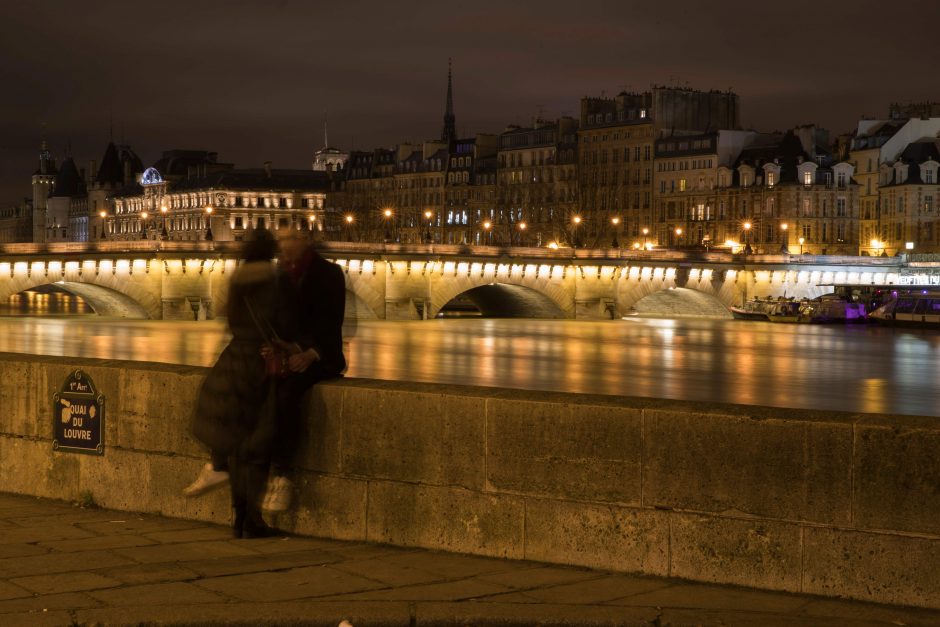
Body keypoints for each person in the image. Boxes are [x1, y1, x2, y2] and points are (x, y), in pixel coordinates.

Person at [188, 229, 281, 537]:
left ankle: (239, 516)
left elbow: (229, 319)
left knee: (237, 445)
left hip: (232, 362)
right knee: (256, 447)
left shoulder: (238, 280)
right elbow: (282, 320)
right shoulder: (272, 280)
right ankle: (252, 519)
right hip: (260, 363)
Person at [262, 228, 347, 512]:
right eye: (282, 239)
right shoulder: (280, 273)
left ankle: (283, 473)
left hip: (321, 357)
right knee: (253, 387)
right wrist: (272, 343)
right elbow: (272, 316)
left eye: (290, 238)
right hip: (287, 350)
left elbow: (331, 322)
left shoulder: (330, 273)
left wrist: (310, 352)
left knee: (287, 395)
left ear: (305, 240)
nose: (284, 244)